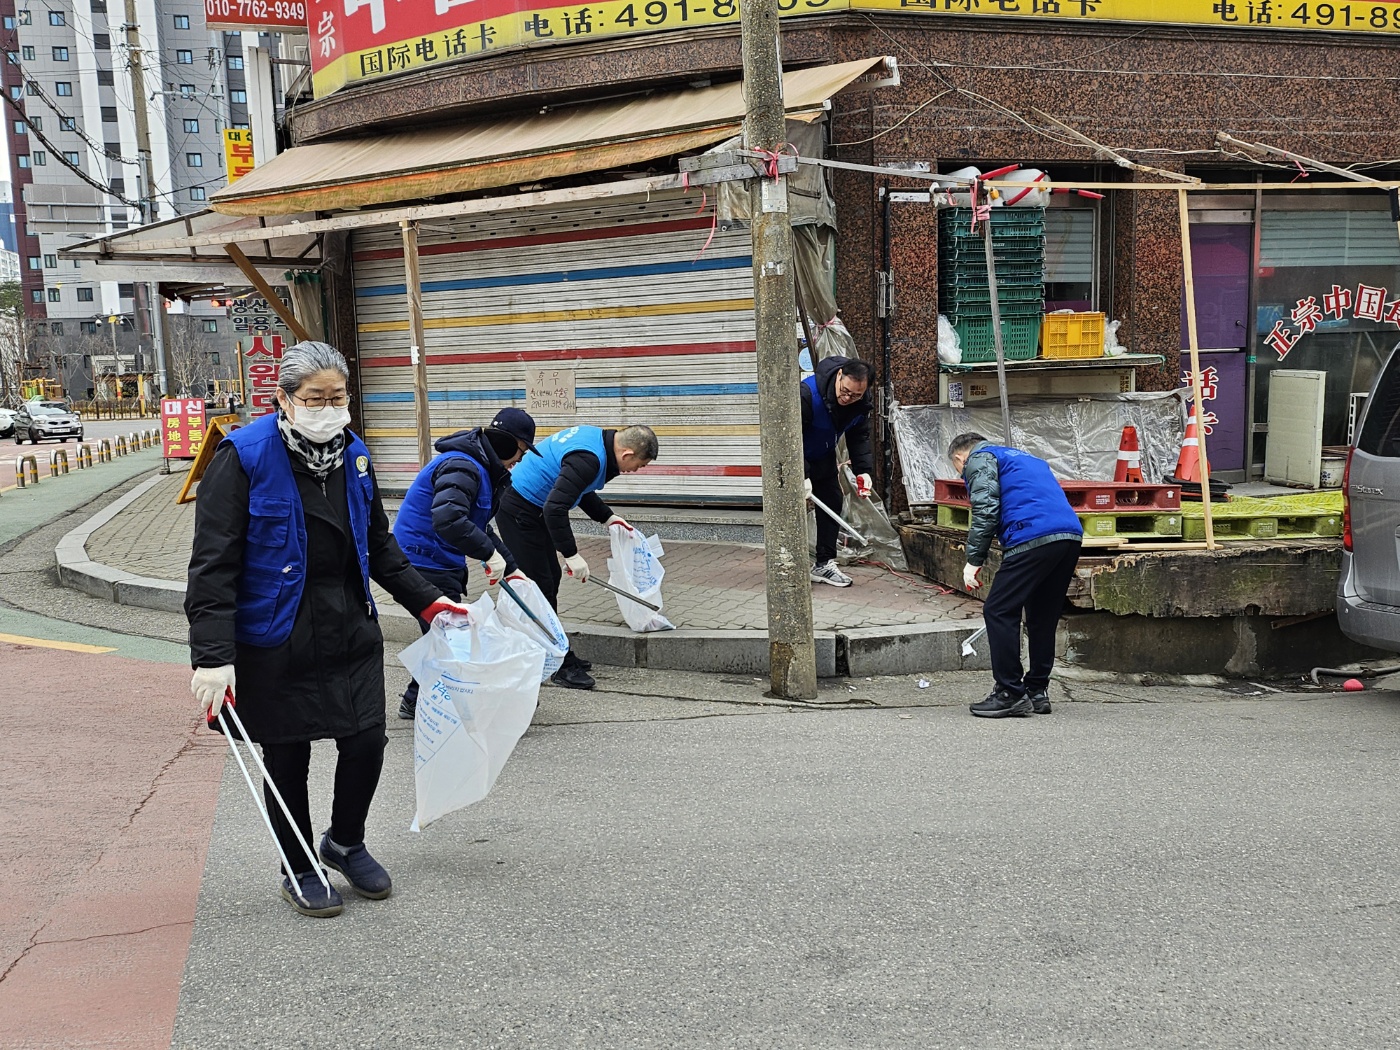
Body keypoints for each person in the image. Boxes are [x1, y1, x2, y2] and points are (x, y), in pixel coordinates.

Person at [185, 341, 469, 918]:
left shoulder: (353, 455)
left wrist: (429, 602)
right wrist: (212, 656)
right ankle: (297, 865)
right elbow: (213, 566)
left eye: (338, 398)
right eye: (315, 399)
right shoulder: (242, 458)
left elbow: (380, 545)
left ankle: (345, 842)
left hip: (347, 624)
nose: (329, 409)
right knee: (287, 756)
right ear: (284, 398)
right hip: (275, 633)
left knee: (366, 740)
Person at [391, 408, 541, 721]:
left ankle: (418, 700)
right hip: (424, 561)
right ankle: (457, 705)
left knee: (443, 636)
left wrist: (511, 568)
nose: (520, 459)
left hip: (436, 559)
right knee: (450, 636)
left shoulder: (478, 468)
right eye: (521, 450)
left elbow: (477, 525)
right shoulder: (462, 466)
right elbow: (448, 519)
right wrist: (488, 553)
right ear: (504, 443)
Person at [496, 423, 659, 690]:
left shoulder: (594, 440)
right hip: (519, 509)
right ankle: (557, 664)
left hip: (531, 507)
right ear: (627, 454)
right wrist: (571, 555)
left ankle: (548, 650)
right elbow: (555, 507)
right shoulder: (589, 458)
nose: (635, 471)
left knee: (548, 579)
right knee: (539, 585)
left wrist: (607, 517)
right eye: (639, 465)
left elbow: (577, 487)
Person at [949, 432, 1083, 719]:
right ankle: (1037, 690)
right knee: (1042, 615)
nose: (962, 475)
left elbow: (986, 509)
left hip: (1031, 534)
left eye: (958, 470)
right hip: (1069, 535)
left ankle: (1009, 692)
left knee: (998, 609)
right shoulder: (1026, 458)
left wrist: (973, 560)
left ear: (960, 457)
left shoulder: (979, 458)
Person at [801, 356, 876, 588]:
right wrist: (800, 473)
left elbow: (859, 436)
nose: (847, 398)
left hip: (823, 455)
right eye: (845, 392)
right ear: (840, 375)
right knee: (789, 509)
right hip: (795, 456)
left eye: (855, 395)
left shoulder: (861, 402)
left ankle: (823, 563)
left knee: (832, 501)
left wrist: (863, 471)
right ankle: (785, 563)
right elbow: (788, 438)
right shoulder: (807, 394)